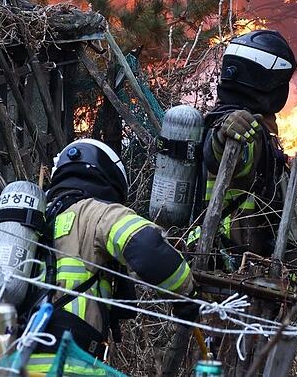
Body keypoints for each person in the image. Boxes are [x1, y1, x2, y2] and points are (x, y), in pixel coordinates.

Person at [25, 138, 197, 372]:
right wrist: (185, 291)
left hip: (16, 363)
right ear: (110, 178)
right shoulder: (96, 212)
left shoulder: (36, 218)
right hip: (69, 366)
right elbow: (147, 248)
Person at [192, 30, 297, 262]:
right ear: (269, 83)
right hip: (233, 262)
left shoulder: (218, 118)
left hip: (226, 255)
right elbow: (220, 153)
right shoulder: (244, 131)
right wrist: (226, 134)